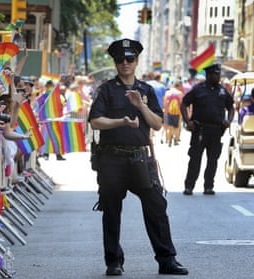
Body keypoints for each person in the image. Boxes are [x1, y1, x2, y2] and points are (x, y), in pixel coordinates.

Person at [88, 38, 188, 276]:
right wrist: (121, 121)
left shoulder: (146, 90)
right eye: (120, 60)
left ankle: (167, 260)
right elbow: (95, 121)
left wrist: (141, 106)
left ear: (136, 61)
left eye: (129, 59)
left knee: (156, 206)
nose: (125, 63)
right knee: (111, 210)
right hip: (112, 159)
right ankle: (113, 261)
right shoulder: (107, 89)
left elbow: (157, 123)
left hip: (139, 158)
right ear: (115, 62)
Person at [180, 64, 234, 195]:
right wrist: (188, 121)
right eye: (216, 74)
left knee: (213, 160)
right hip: (200, 130)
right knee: (195, 159)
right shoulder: (198, 89)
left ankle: (208, 186)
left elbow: (231, 107)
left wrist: (229, 120)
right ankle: (189, 186)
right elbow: (184, 104)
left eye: (219, 74)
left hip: (216, 131)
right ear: (209, 75)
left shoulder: (222, 91)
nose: (218, 77)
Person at [163, 80, 184, 146]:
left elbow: (165, 104)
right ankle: (175, 139)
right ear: (179, 86)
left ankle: (169, 140)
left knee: (169, 126)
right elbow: (182, 104)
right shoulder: (180, 93)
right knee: (177, 127)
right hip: (178, 112)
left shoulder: (168, 92)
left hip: (169, 111)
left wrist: (165, 112)